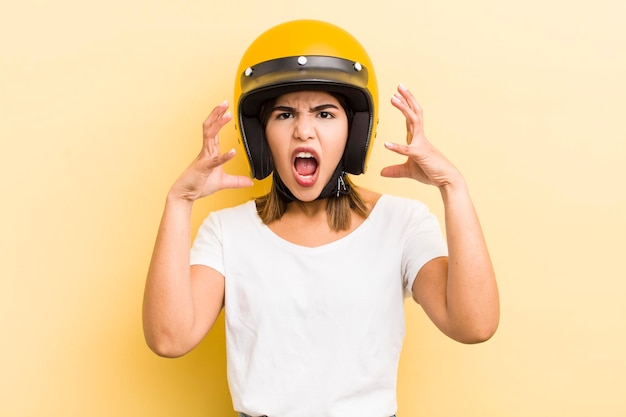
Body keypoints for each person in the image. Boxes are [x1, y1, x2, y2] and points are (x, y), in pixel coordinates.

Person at [142, 19, 499, 417]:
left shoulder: (401, 223)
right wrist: (179, 200)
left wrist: (454, 187)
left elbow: (475, 325)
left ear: (354, 132)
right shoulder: (228, 232)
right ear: (260, 137)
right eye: (284, 115)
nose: (304, 132)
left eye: (325, 114)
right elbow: (168, 338)